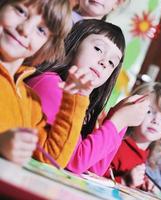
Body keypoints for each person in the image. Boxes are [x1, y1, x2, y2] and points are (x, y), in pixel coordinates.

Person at [27, 19, 150, 175]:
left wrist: (116, 117)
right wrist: (118, 121)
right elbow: (75, 161)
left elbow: (94, 168)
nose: (104, 62)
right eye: (98, 49)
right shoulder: (51, 83)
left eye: (112, 62)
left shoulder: (83, 103)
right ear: (75, 43)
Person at [0, 0, 93, 167]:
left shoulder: (31, 101)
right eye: (21, 11)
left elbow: (52, 158)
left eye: (41, 30)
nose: (25, 29)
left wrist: (74, 98)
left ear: (47, 46)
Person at [106, 82, 161, 188]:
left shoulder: (149, 155)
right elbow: (93, 179)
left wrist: (143, 184)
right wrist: (124, 181)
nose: (156, 121)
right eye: (149, 111)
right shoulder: (117, 145)